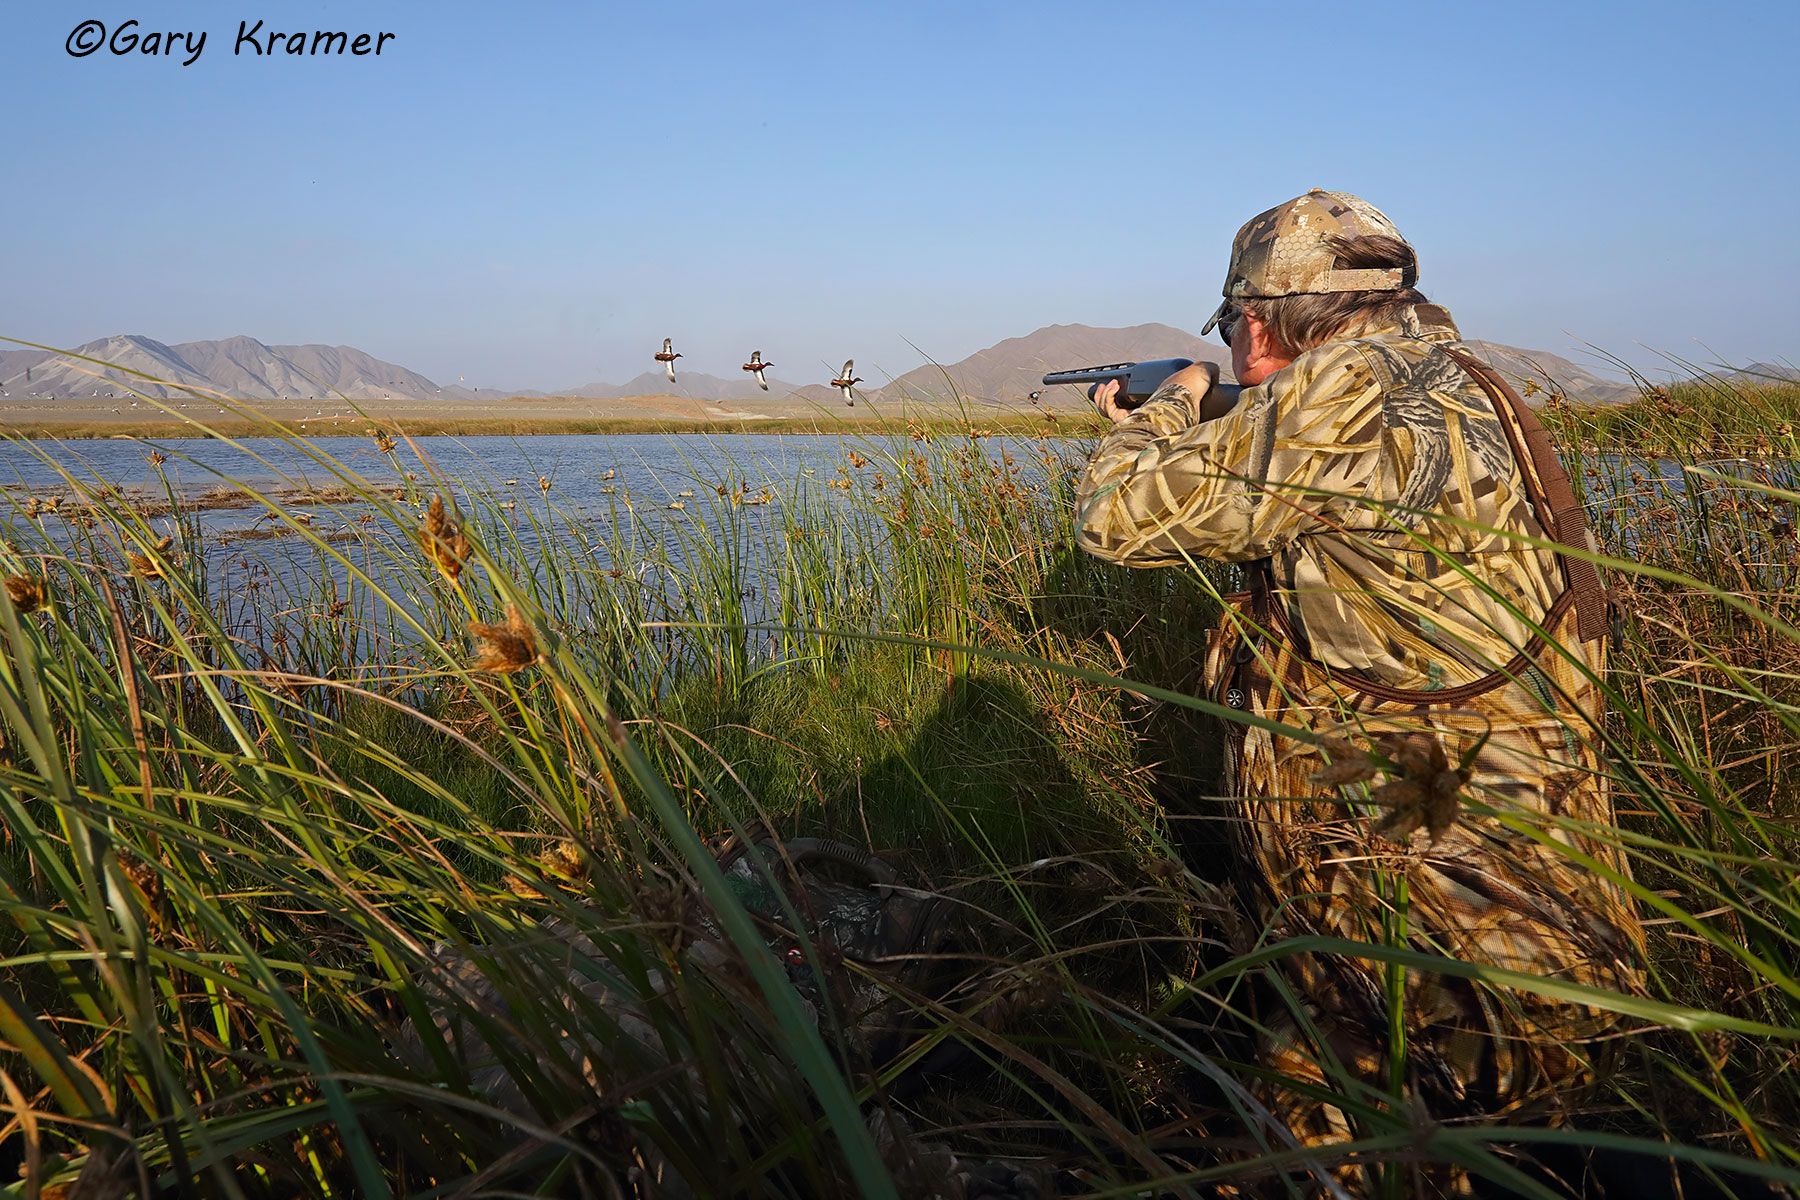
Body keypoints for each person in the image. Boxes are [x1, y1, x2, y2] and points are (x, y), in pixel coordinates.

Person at [1073, 190, 1646, 1191]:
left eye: (1231, 326)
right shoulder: (1470, 380)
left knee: (1362, 1150)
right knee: (1542, 1136)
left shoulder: (1341, 396)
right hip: (1539, 878)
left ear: (1257, 322)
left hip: (1416, 905)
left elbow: (1118, 520)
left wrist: (1162, 405)